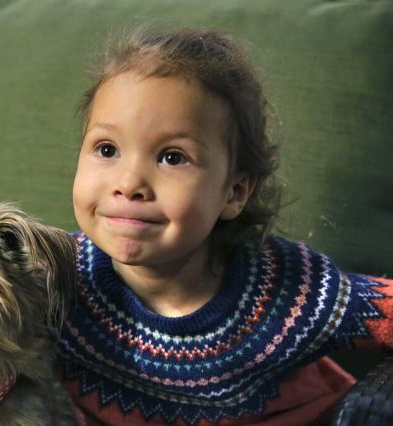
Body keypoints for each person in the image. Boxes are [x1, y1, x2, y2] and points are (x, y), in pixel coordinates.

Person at [55, 27, 393, 425]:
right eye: (107, 149)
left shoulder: (288, 292)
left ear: (233, 192)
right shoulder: (52, 281)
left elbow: (382, 310)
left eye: (172, 157)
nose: (128, 183)